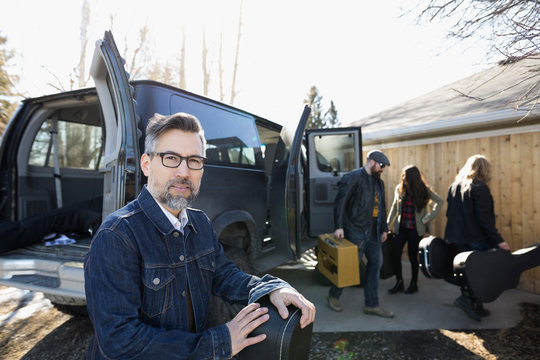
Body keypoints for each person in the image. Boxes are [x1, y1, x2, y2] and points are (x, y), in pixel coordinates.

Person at [84, 112, 315, 359]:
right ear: (146, 164)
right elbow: (119, 340)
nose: (184, 171)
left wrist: (270, 288)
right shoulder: (117, 236)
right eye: (171, 158)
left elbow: (224, 275)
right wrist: (219, 343)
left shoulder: (200, 223)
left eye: (194, 160)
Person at [327, 149, 394, 318]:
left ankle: (371, 304)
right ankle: (333, 296)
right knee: (347, 266)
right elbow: (340, 202)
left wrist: (384, 228)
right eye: (381, 165)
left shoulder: (380, 183)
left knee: (376, 265)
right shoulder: (354, 177)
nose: (382, 169)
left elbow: (382, 207)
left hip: (375, 232)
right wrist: (339, 226)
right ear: (371, 161)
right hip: (355, 230)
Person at [444, 154, 510, 321]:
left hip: (458, 238)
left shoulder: (454, 186)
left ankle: (474, 304)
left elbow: (449, 214)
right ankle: (468, 301)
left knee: (467, 273)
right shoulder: (480, 188)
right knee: (481, 275)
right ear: (484, 170)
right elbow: (485, 221)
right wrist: (499, 241)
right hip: (476, 239)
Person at [386, 165, 443, 294]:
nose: (404, 178)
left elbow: (439, 201)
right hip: (401, 229)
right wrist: (388, 224)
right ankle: (399, 282)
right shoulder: (399, 189)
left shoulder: (423, 190)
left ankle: (414, 283)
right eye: (403, 176)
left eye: (406, 176)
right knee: (395, 254)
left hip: (415, 230)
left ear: (413, 178)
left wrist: (429, 217)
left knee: (412, 256)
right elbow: (394, 207)